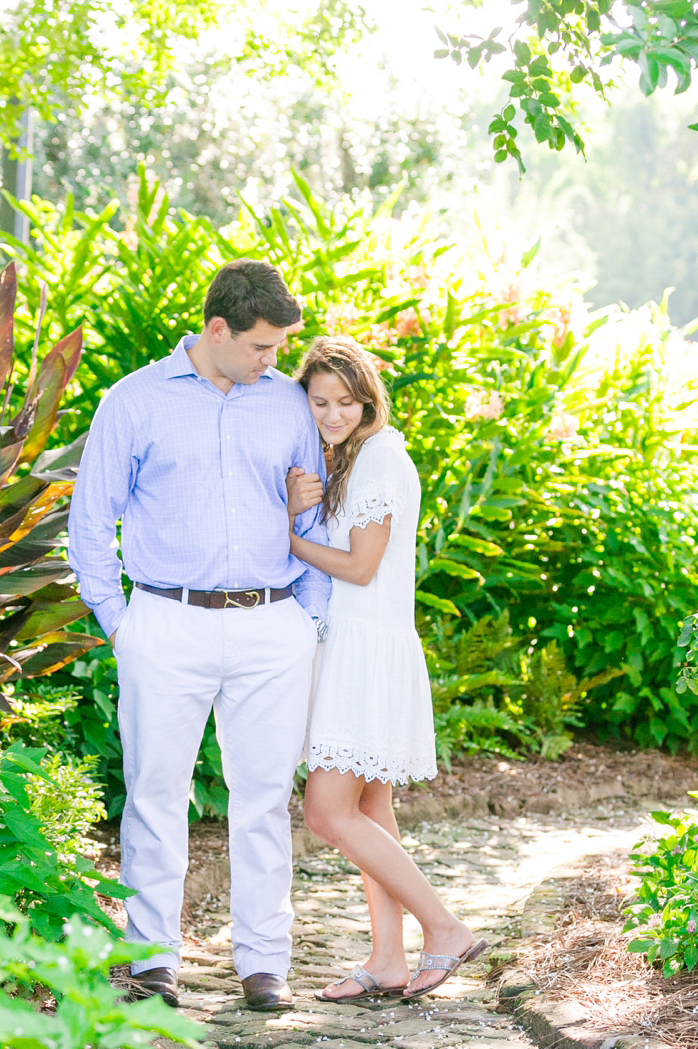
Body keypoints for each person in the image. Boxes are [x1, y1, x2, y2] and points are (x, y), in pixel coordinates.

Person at [68, 259, 330, 1013]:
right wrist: (123, 626)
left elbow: (309, 516)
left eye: (279, 348)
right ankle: (154, 962)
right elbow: (91, 522)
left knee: (262, 800)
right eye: (262, 347)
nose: (274, 362)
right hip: (164, 621)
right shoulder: (134, 402)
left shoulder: (285, 406)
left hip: (271, 624)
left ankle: (263, 963)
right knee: (155, 796)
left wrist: (304, 618)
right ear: (217, 330)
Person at [284, 335, 486, 1001]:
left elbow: (361, 566)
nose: (333, 413)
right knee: (370, 807)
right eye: (320, 400)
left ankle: (444, 926)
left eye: (346, 401)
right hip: (353, 643)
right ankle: (388, 957)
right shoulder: (349, 459)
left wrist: (287, 535)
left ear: (368, 399)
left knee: (325, 810)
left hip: (365, 649)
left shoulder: (380, 458)